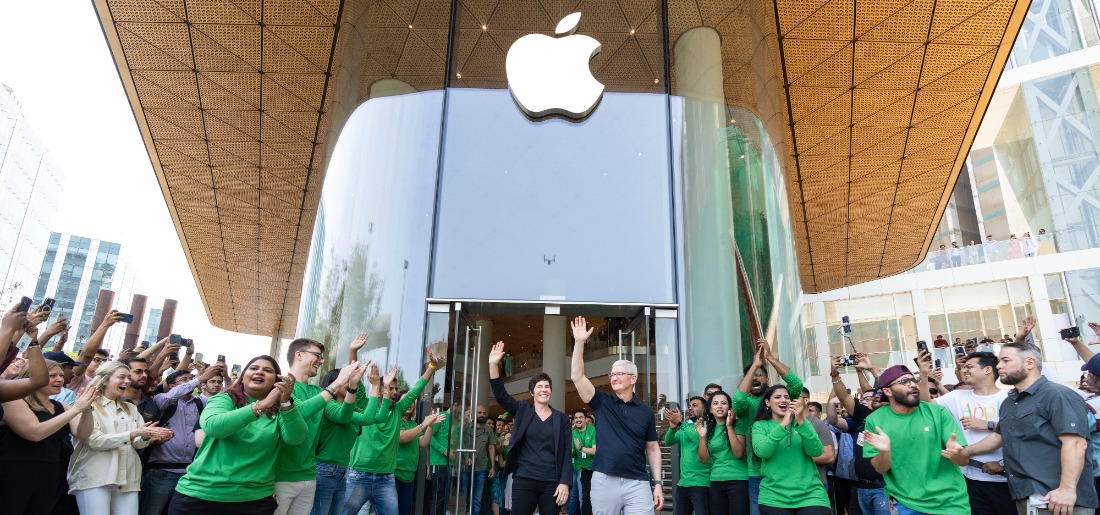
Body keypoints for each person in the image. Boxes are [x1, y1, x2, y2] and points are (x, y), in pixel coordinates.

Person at [955, 341, 1099, 514]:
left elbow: (1076, 444)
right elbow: (999, 437)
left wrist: (1067, 490)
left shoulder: (1058, 395)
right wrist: (965, 452)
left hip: (1060, 501)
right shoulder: (1010, 401)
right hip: (1027, 497)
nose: (999, 366)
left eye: (1005, 360)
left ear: (1030, 363)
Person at [168, 355, 305, 514]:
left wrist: (286, 402)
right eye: (254, 368)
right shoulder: (224, 399)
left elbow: (296, 438)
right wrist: (262, 405)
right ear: (243, 376)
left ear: (277, 380)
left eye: (267, 370)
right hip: (200, 495)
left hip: (254, 499)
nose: (259, 372)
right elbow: (214, 427)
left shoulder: (282, 408)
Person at [570, 316, 664, 514]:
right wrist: (579, 343)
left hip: (638, 482)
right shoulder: (602, 402)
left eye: (619, 374)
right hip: (604, 480)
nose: (614, 378)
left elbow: (653, 448)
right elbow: (577, 377)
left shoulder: (645, 411)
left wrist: (657, 483)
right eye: (612, 375)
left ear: (633, 378)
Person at [342, 348, 446, 515]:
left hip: (386, 478)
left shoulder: (398, 410)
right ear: (380, 389)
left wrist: (432, 366)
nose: (394, 392)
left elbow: (417, 388)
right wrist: (353, 350)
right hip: (360, 475)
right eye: (390, 388)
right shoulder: (364, 403)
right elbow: (354, 377)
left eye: (395, 388)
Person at [860, 364, 970, 515]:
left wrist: (957, 453)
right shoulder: (875, 420)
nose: (912, 385)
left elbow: (963, 461)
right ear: (887, 391)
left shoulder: (937, 412)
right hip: (906, 503)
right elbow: (881, 469)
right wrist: (885, 452)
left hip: (950, 502)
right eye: (904, 382)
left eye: (913, 380)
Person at [273, 337, 365, 515]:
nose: (321, 361)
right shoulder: (281, 385)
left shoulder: (317, 392)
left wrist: (352, 388)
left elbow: (344, 416)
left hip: (309, 475)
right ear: (298, 355)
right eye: (317, 355)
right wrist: (337, 383)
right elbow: (298, 412)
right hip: (282, 476)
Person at [69, 360, 174, 514]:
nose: (127, 381)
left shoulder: (131, 408)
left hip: (127, 478)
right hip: (95, 477)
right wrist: (134, 434)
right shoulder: (86, 404)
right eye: (121, 377)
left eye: (128, 378)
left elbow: (136, 443)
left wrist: (149, 436)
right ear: (105, 380)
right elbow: (93, 441)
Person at [920, 350, 1012, 515]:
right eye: (963, 367)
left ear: (988, 370)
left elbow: (1020, 429)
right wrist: (923, 375)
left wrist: (989, 424)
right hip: (969, 478)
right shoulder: (957, 396)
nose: (964, 370)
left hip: (1005, 478)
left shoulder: (1009, 397)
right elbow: (926, 403)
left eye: (969, 367)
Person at [0, 359, 96, 514]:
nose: (59, 379)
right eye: (51, 376)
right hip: (15, 473)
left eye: (60, 375)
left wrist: (86, 409)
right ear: (32, 377)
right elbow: (35, 433)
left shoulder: (62, 406)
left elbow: (83, 433)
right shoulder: (13, 401)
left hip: (49, 473)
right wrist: (75, 410)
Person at [489, 340, 572, 515]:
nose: (544, 389)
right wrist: (493, 365)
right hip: (524, 479)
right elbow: (501, 396)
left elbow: (566, 453)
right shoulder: (522, 410)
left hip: (552, 482)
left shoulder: (561, 419)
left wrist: (565, 482)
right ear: (532, 392)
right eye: (539, 386)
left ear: (551, 391)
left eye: (547, 387)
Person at [140, 363, 225, 515]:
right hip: (161, 472)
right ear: (172, 385)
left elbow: (220, 400)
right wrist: (201, 378)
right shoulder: (162, 400)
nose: (189, 382)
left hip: (189, 472)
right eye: (184, 380)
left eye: (191, 378)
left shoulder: (201, 402)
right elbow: (174, 394)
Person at [734, 339, 802, 515]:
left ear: (767, 378)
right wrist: (755, 364)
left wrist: (770, 357)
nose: (755, 377)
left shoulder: (783, 399)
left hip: (788, 470)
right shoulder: (747, 405)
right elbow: (738, 400)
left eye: (759, 374)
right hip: (757, 471)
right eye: (751, 375)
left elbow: (796, 385)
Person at [312, 363, 388, 515]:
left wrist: (382, 389)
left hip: (342, 470)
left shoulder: (352, 410)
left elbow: (380, 417)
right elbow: (356, 417)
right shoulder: (328, 405)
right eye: (347, 379)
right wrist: (373, 388)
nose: (352, 382)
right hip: (324, 469)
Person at [749, 385, 829, 515]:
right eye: (777, 397)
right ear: (767, 402)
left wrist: (801, 421)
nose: (784, 400)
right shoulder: (760, 426)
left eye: (787, 397)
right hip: (774, 497)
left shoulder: (803, 423)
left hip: (811, 495)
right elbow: (763, 452)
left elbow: (816, 451)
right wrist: (784, 423)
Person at [827, 357, 890, 515]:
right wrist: (835, 374)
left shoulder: (894, 417)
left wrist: (872, 370)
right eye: (873, 394)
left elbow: (890, 388)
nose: (876, 395)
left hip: (884, 488)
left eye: (880, 394)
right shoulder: (865, 415)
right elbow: (844, 397)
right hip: (861, 487)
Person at [699, 390, 746, 515]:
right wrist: (702, 437)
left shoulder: (737, 424)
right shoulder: (707, 428)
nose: (719, 406)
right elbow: (703, 459)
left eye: (723, 403)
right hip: (716, 481)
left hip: (738, 480)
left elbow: (739, 453)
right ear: (710, 409)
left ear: (729, 408)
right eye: (715, 403)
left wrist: (729, 426)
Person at [664, 396, 711, 515]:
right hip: (683, 484)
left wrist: (679, 423)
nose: (690, 408)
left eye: (695, 406)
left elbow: (697, 438)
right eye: (689, 406)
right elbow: (669, 441)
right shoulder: (686, 427)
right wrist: (672, 427)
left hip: (702, 483)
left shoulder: (708, 426)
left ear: (705, 409)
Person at [397, 393, 442, 515]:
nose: (410, 403)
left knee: (403, 511)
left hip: (409, 476)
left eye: (413, 401)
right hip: (393, 475)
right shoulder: (395, 420)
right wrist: (423, 424)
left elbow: (423, 443)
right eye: (407, 400)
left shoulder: (413, 424)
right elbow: (402, 437)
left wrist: (431, 426)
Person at [569, 408, 596, 515]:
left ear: (585, 419)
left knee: (585, 499)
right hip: (577, 468)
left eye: (580, 417)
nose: (578, 420)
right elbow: (570, 452)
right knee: (575, 497)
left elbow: (595, 451)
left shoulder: (593, 430)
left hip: (592, 469)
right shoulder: (573, 433)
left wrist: (581, 448)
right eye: (576, 418)